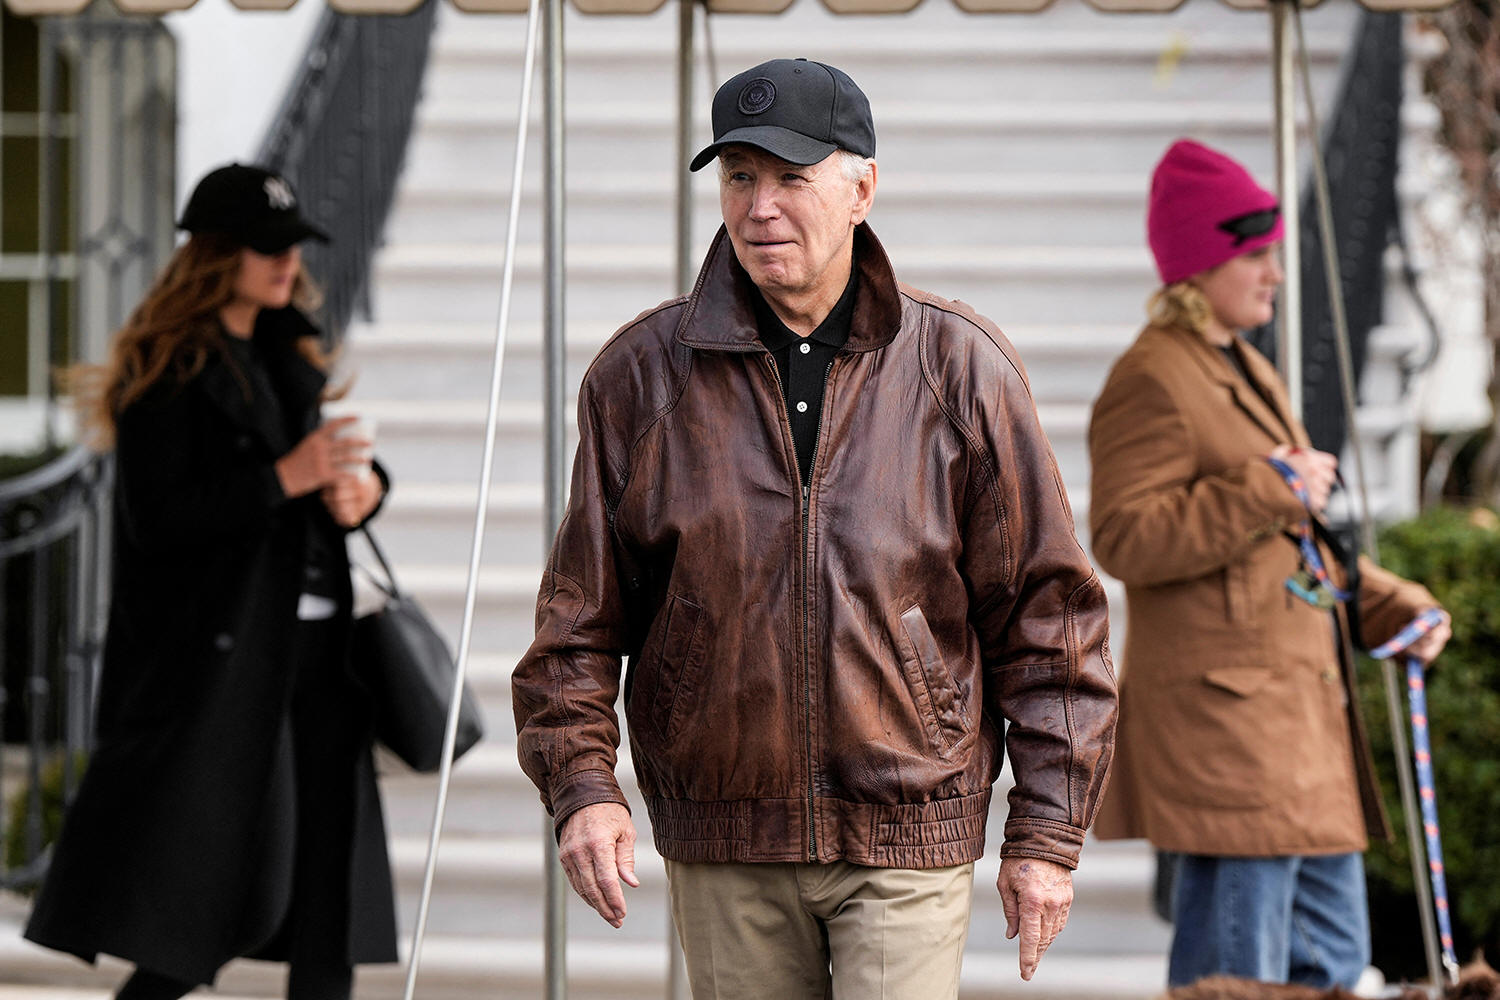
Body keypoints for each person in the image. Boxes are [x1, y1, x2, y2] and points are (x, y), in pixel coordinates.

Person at [512, 58, 1118, 998]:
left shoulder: (960, 370)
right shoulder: (640, 376)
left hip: (910, 824)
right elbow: (575, 627)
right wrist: (583, 789)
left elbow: (1051, 619)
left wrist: (1045, 834)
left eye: (792, 177)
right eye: (739, 177)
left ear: (862, 189)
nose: (760, 207)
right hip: (726, 832)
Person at [25, 164, 399, 1000]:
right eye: (267, 248)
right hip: (227, 668)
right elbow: (160, 520)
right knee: (210, 905)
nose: (287, 264)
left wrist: (364, 489)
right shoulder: (168, 369)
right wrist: (285, 478)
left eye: (292, 247)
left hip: (323, 656)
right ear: (216, 254)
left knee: (328, 903)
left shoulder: (287, 351)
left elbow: (328, 471)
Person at [1087, 139, 1452, 989]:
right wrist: (1264, 488)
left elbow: (1291, 541)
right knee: (1238, 976)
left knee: (1331, 966)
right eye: (1256, 255)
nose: (1276, 274)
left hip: (1298, 730)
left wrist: (1390, 603)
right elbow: (1124, 536)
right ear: (1200, 263)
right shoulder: (1153, 376)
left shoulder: (1245, 362)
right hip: (1233, 738)